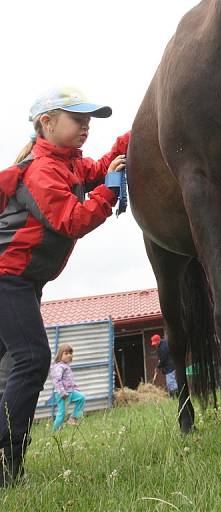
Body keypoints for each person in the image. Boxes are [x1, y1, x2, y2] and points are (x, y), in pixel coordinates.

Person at [0, 87, 129, 487]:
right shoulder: (42, 170)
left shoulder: (69, 163)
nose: (86, 125)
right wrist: (110, 189)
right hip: (8, 279)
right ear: (47, 123)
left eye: (89, 119)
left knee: (9, 366)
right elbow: (73, 219)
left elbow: (100, 166)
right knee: (33, 360)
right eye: (77, 118)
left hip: (24, 281)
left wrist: (133, 136)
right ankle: (8, 464)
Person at [50, 344, 85, 431]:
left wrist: (74, 387)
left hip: (70, 392)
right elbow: (57, 380)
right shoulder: (59, 366)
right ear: (60, 355)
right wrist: (62, 392)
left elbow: (68, 381)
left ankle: (73, 418)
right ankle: (54, 431)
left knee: (81, 398)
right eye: (66, 353)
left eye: (70, 353)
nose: (69, 355)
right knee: (62, 413)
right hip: (62, 394)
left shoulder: (66, 366)